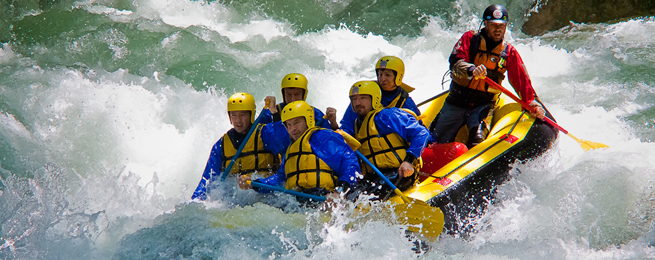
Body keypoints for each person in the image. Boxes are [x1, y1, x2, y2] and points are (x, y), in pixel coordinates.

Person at [431, 4, 546, 148]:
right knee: (434, 141)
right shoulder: (470, 39)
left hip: (482, 105)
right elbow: (455, 64)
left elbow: (521, 81)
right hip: (457, 101)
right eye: (493, 25)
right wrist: (472, 69)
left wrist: (532, 102)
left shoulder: (508, 52)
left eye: (501, 25)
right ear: (485, 24)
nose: (498, 29)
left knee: (477, 141)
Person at [239, 100, 360, 203]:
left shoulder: (322, 137)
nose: (293, 129)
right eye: (289, 125)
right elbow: (279, 180)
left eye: (297, 122)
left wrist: (340, 191)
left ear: (308, 120)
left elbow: (349, 162)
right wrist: (254, 184)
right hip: (297, 203)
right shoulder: (291, 150)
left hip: (323, 198)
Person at [191, 92, 287, 200]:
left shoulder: (264, 133)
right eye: (234, 115)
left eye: (242, 115)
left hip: (266, 195)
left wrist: (274, 113)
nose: (238, 120)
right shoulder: (221, 145)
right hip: (236, 201)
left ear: (251, 115)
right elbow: (207, 180)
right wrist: (194, 203)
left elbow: (284, 141)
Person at [348, 81, 429, 199]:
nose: (358, 103)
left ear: (374, 98)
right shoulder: (357, 124)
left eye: (363, 98)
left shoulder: (387, 116)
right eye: (354, 99)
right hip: (375, 177)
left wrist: (408, 161)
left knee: (369, 197)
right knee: (350, 197)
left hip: (400, 172)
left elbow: (421, 133)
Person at [339, 56, 422, 134]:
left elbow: (419, 127)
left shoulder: (405, 101)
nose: (382, 79)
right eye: (380, 74)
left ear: (398, 77)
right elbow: (347, 125)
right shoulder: (365, 96)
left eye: (387, 75)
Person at [265, 73, 339, 130]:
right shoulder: (271, 112)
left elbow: (332, 140)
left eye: (296, 94)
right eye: (288, 95)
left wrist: (333, 124)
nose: (292, 99)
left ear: (304, 95)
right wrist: (274, 114)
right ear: (283, 95)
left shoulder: (315, 114)